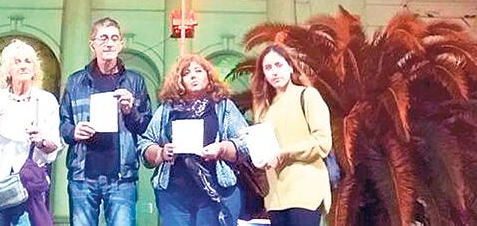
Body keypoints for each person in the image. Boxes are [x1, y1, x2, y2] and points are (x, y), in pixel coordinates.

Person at [59, 17, 152, 226]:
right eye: (103, 38)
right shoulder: (76, 81)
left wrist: (130, 111)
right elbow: (63, 123)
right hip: (82, 175)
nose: (109, 43)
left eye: (114, 38)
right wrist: (74, 131)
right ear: (92, 44)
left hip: (121, 176)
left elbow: (146, 126)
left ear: (121, 44)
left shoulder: (135, 81)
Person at [139, 54, 249, 226]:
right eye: (186, 73)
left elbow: (245, 142)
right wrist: (161, 153)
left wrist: (221, 149)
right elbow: (145, 144)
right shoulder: (167, 109)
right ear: (179, 80)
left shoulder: (223, 106)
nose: (193, 75)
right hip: (174, 196)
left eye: (199, 71)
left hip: (216, 190)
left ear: (209, 76)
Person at [0, 39, 62, 226]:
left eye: (28, 61)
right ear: (7, 70)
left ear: (35, 68)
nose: (23, 66)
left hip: (29, 185)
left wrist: (41, 140)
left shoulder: (46, 101)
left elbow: (54, 146)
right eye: (17, 61)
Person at [250, 44, 332, 226]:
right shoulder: (264, 109)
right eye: (268, 68)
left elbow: (322, 142)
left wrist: (284, 152)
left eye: (278, 65)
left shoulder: (308, 95)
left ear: (290, 66)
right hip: (275, 196)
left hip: (305, 189)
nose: (274, 72)